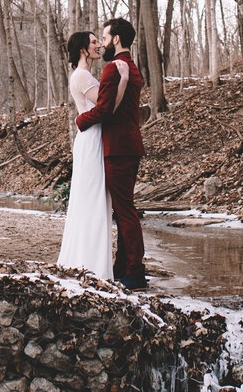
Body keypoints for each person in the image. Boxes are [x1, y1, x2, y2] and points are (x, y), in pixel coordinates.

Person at [76, 18, 147, 291]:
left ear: (116, 39)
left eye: (104, 37)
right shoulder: (132, 68)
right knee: (123, 207)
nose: (102, 42)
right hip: (128, 145)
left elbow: (105, 109)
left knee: (125, 210)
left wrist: (81, 121)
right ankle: (122, 265)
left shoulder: (113, 69)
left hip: (118, 148)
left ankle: (135, 272)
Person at [57, 31, 129, 280]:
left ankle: (91, 262)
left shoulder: (85, 74)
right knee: (93, 200)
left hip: (94, 138)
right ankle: (90, 265)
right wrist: (123, 80)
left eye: (100, 40)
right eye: (94, 42)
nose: (99, 45)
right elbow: (107, 108)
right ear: (83, 50)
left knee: (96, 200)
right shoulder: (82, 75)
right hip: (91, 142)